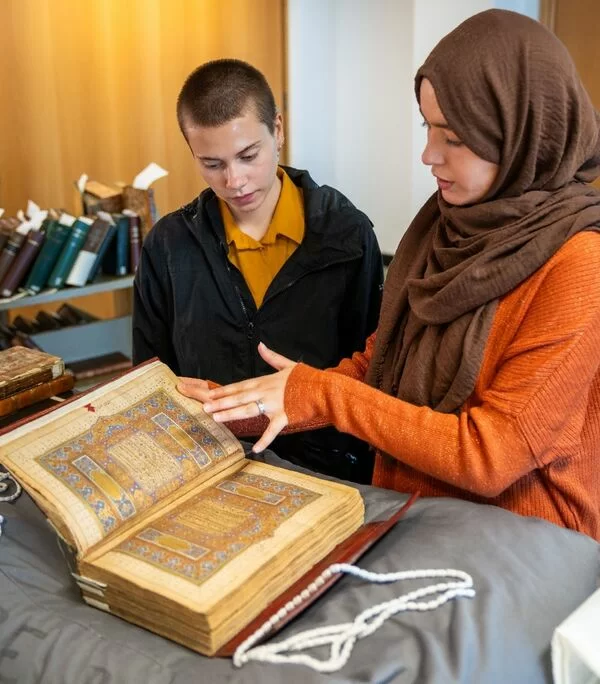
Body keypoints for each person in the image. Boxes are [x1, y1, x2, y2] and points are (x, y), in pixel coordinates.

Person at [178, 10, 600, 540]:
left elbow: (491, 455)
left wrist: (323, 395)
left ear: (523, 136)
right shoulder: (444, 230)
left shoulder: (579, 265)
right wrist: (227, 406)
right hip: (416, 511)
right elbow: (379, 369)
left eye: (455, 139)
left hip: (524, 543)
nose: (428, 155)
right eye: (428, 128)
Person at [133, 59, 383, 483]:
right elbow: (149, 376)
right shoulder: (167, 246)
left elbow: (371, 370)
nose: (235, 180)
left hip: (328, 470)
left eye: (249, 155)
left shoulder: (347, 236)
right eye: (212, 164)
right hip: (207, 466)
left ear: (279, 131)